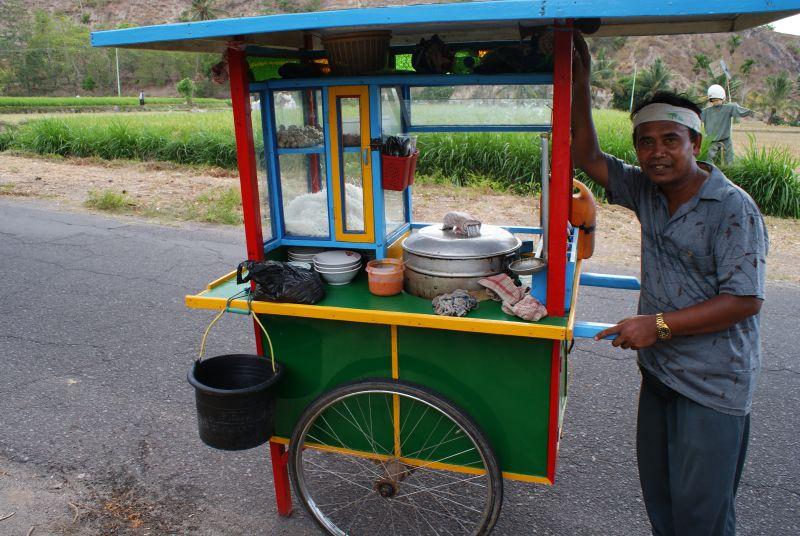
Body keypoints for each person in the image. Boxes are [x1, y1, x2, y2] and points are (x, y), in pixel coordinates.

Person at [571, 32, 768, 536]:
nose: (657, 153)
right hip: (660, 376)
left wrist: (655, 325)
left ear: (695, 144)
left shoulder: (731, 207)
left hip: (712, 385)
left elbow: (744, 300)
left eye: (669, 140)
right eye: (645, 141)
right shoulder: (648, 191)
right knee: (663, 505)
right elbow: (586, 155)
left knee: (702, 517)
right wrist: (581, 78)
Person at [701, 84, 752, 166]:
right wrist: (749, 111)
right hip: (714, 142)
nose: (715, 102)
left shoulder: (727, 108)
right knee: (718, 164)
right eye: (713, 100)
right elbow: (742, 111)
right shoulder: (707, 111)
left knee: (718, 164)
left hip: (722, 141)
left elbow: (695, 116)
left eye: (716, 100)